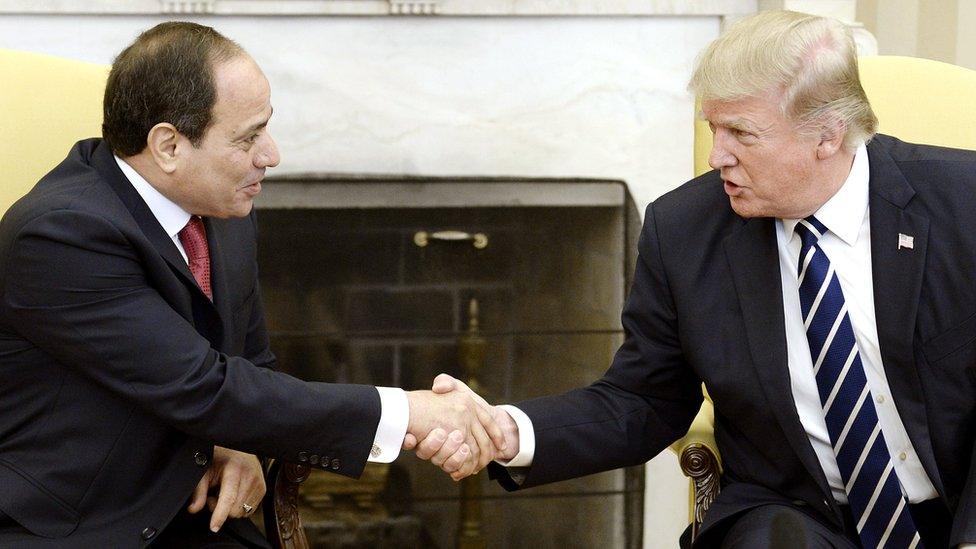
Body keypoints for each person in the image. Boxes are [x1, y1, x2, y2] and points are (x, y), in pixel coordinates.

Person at [411, 10, 976, 549]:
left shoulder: (963, 203)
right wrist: (508, 431)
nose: (717, 156)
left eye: (741, 133)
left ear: (828, 135)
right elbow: (643, 399)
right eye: (712, 127)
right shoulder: (683, 229)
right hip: (795, 514)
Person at [0, 22, 503, 548]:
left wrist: (239, 442)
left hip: (197, 505)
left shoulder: (225, 210)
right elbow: (204, 387)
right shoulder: (62, 235)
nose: (272, 154)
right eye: (248, 137)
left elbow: (251, 367)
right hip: (75, 523)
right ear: (168, 145)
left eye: (267, 127)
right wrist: (407, 412)